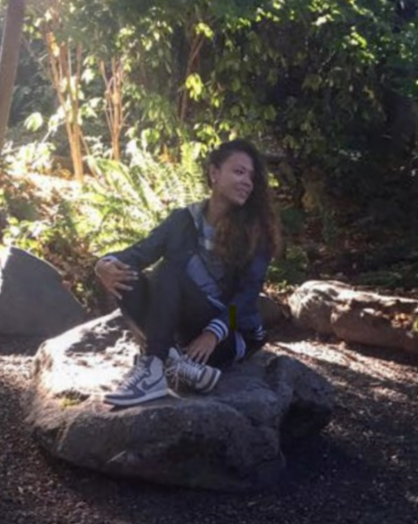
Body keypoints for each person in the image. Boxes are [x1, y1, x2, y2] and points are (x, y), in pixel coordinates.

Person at [94, 139, 281, 407]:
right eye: (239, 172)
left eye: (251, 176)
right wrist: (103, 264)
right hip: (183, 324)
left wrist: (213, 333)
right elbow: (140, 252)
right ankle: (170, 363)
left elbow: (247, 296)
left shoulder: (256, 232)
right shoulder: (183, 220)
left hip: (228, 331)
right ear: (214, 173)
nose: (248, 182)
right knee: (127, 277)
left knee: (168, 270)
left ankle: (157, 362)